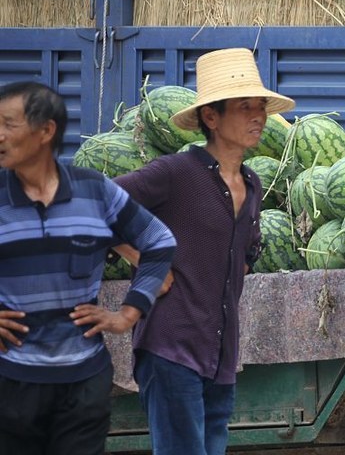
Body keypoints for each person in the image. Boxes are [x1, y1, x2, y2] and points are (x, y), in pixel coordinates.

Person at [113, 49, 295, 455]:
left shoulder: (251, 183)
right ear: (211, 118)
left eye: (260, 107)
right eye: (243, 107)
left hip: (220, 357)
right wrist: (143, 261)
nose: (258, 116)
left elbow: (244, 259)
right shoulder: (175, 173)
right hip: (171, 348)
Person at [0, 82, 175, 455]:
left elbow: (158, 242)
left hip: (83, 384)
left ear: (46, 131)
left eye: (9, 124)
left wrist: (128, 313)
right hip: (10, 383)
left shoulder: (95, 192)